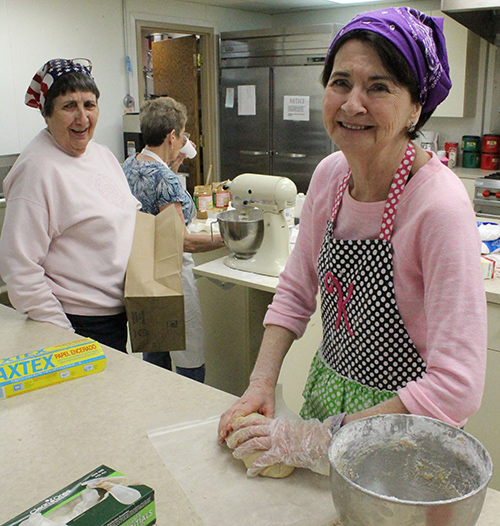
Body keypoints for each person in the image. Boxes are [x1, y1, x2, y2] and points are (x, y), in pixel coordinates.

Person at [218, 7, 487, 477]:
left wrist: (321, 441)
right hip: (329, 406)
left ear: (416, 107)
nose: (352, 103)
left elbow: (456, 387)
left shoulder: (437, 206)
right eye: (340, 82)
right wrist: (260, 383)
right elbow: (296, 291)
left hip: (405, 435)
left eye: (379, 87)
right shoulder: (330, 176)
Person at [0, 58, 140, 353]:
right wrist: (66, 338)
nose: (82, 118)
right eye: (68, 106)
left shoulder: (101, 156)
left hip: (116, 314)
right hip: (75, 324)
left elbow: (127, 217)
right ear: (47, 113)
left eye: (89, 105)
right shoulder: (36, 169)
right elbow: (19, 269)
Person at [123, 97, 224, 383]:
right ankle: (191, 413)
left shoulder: (128, 166)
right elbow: (184, 241)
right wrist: (228, 239)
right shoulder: (164, 179)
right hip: (173, 275)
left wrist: (173, 164)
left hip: (142, 274)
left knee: (154, 352)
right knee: (189, 353)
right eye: (182, 135)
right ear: (172, 136)